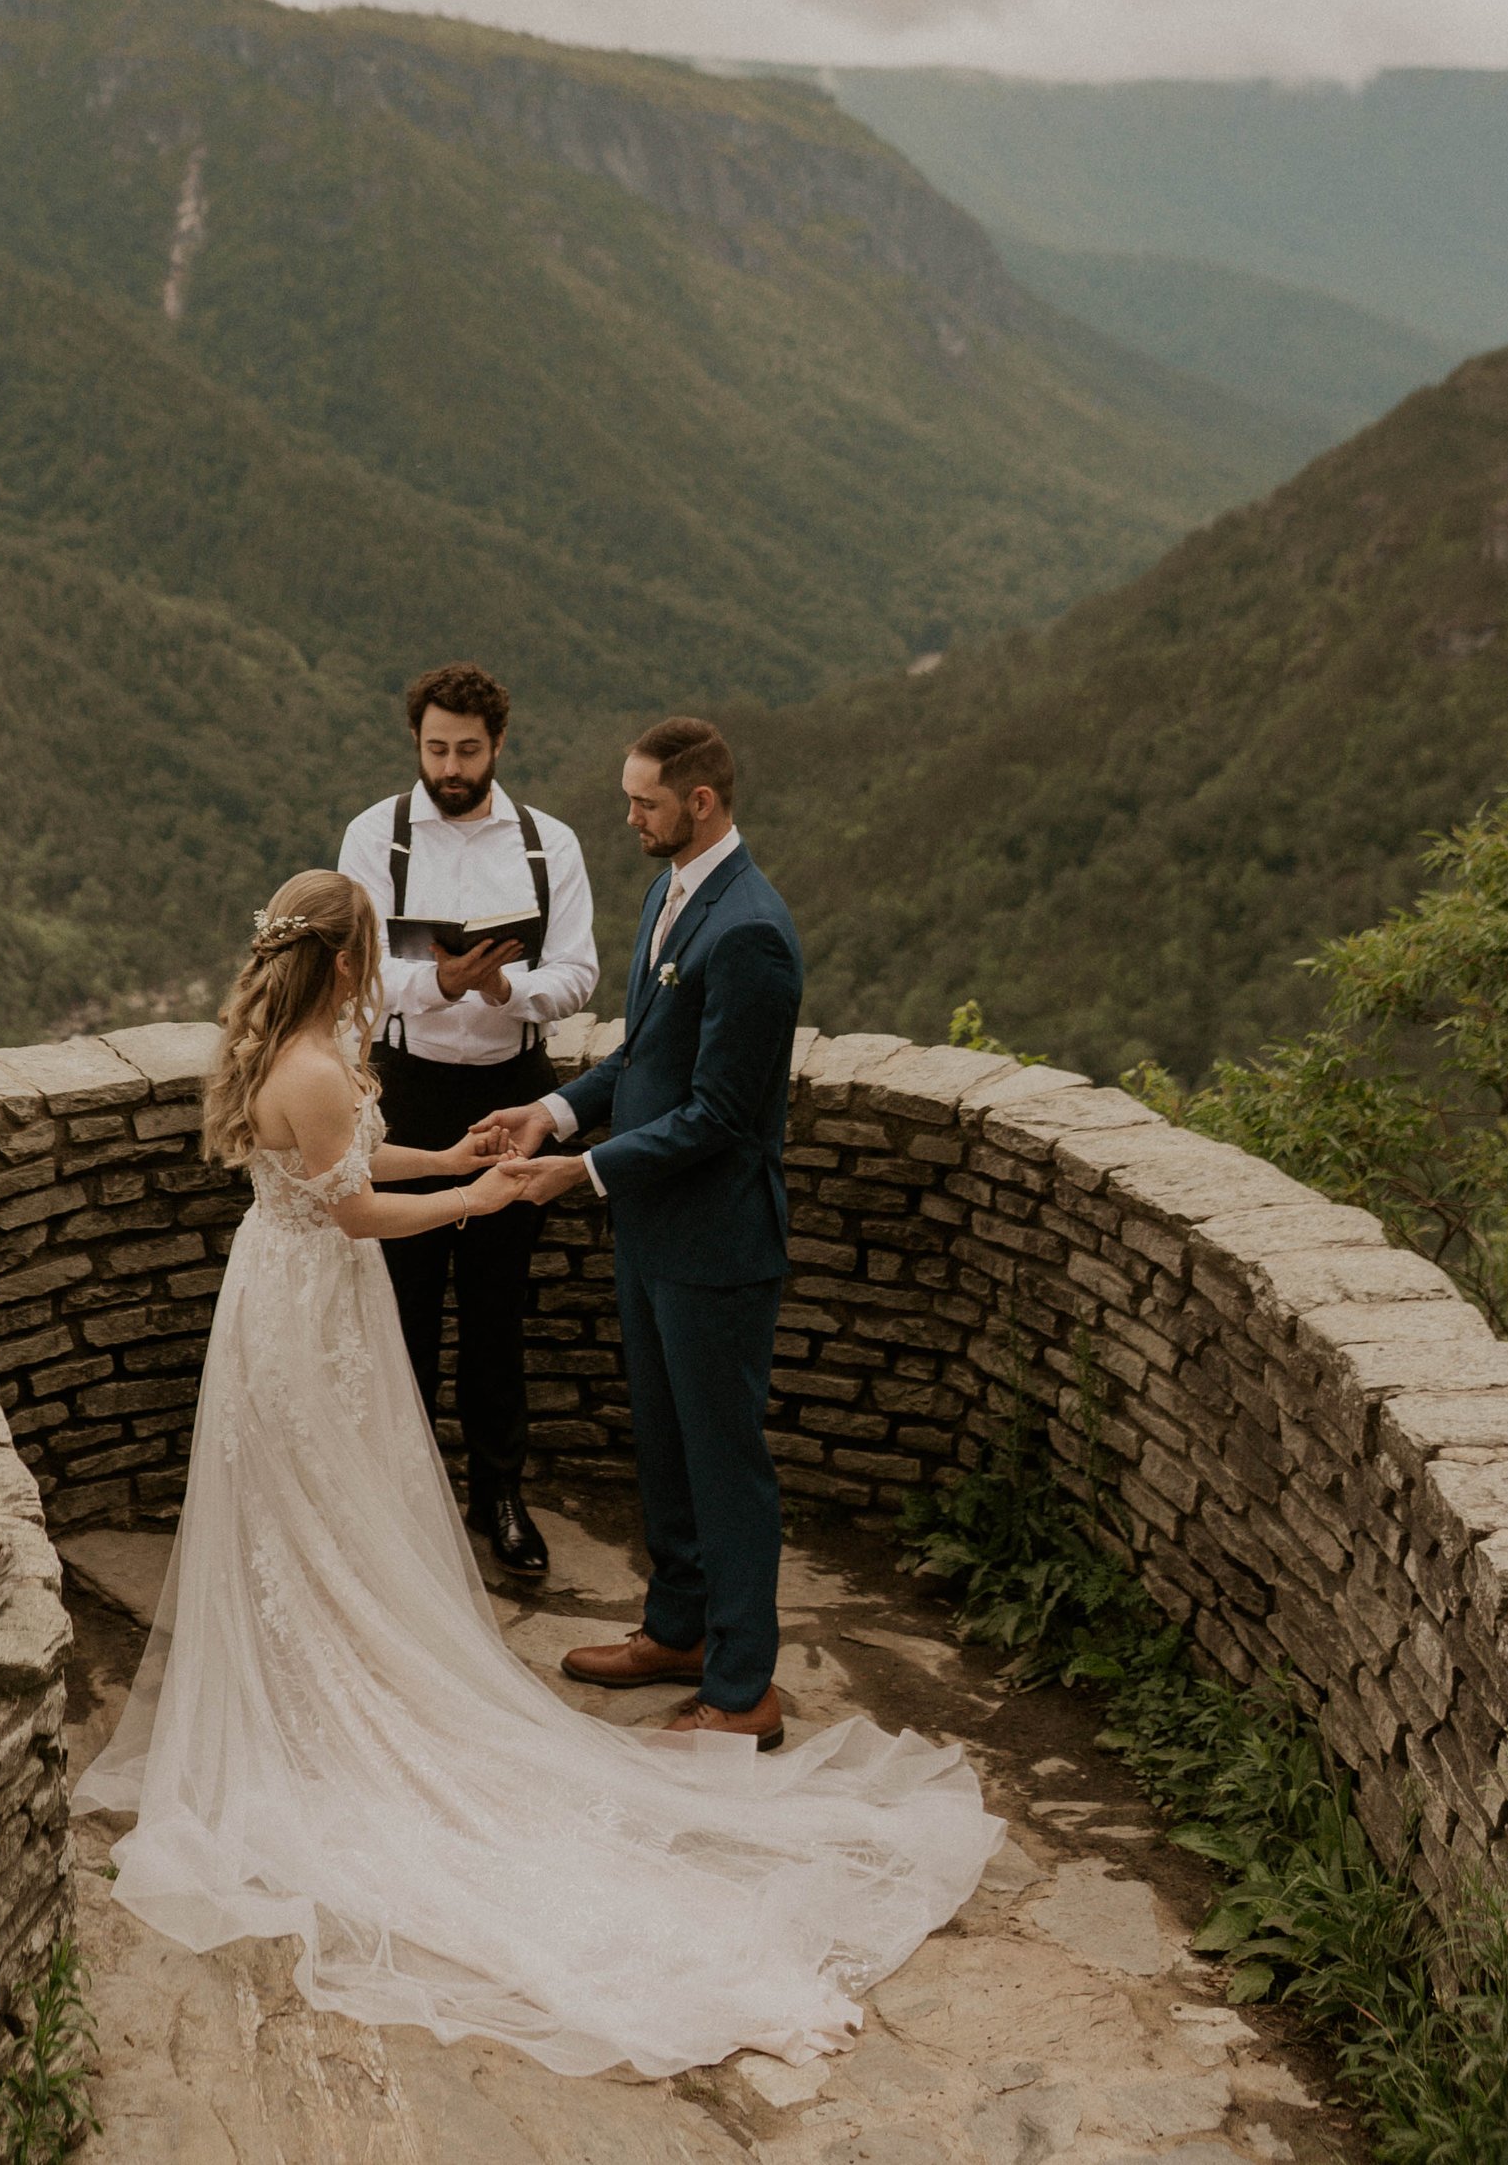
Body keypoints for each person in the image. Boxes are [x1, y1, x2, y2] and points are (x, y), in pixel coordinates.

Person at [76, 870, 995, 2078]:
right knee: (323, 1506)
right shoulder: (311, 1067)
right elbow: (354, 1212)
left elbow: (349, 1162)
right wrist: (475, 1194)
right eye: (371, 951)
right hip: (314, 1303)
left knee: (315, 1512)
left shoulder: (282, 1052)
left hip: (281, 1300)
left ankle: (322, 1682)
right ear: (346, 963)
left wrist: (447, 1151)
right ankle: (340, 1703)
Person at [489, 715, 804, 1748]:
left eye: (645, 803)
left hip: (715, 1246)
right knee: (665, 1450)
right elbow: (641, 1060)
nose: (629, 818)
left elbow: (720, 1115)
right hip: (652, 1233)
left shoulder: (749, 929)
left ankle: (744, 1687)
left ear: (700, 803)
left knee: (724, 1465)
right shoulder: (671, 894)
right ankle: (677, 1631)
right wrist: (552, 1113)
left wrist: (577, 1173)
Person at [336, 663, 596, 1578]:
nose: (451, 767)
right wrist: (439, 982)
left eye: (469, 750)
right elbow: (356, 971)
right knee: (401, 1303)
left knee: (496, 1304)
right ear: (416, 741)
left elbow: (578, 972)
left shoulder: (548, 844)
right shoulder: (374, 836)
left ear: (499, 744)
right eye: (437, 748)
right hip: (406, 1088)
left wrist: (506, 990)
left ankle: (499, 1495)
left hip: (512, 1086)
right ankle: (406, 1498)